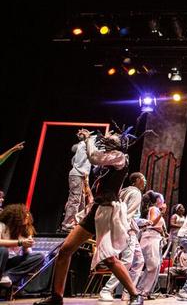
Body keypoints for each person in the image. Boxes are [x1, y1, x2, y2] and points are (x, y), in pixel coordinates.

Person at [34, 128, 145, 305]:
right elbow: (94, 160)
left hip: (107, 212)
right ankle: (57, 297)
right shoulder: (107, 162)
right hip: (96, 210)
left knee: (108, 258)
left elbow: (93, 156)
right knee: (65, 250)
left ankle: (135, 293)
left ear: (119, 143)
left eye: (113, 136)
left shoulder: (120, 157)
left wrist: (88, 139)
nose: (108, 136)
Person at [99, 172, 147, 301]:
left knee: (139, 260)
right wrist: (125, 230)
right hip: (127, 229)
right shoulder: (136, 193)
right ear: (136, 180)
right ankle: (107, 290)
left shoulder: (123, 191)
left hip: (125, 227)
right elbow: (129, 213)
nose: (145, 182)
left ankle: (128, 292)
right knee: (126, 261)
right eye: (143, 179)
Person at [0, 204, 44, 288]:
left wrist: (27, 245)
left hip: (11, 261)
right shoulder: (2, 225)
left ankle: (7, 277)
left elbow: (26, 253)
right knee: (3, 250)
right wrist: (20, 242)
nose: (27, 218)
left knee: (39, 256)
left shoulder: (24, 231)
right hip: (1, 259)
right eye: (24, 216)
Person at [60, 130, 92, 232]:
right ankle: (68, 224)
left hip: (81, 175)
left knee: (81, 201)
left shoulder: (83, 145)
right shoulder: (84, 145)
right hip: (77, 174)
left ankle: (77, 223)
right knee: (75, 200)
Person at [136, 191, 166, 299]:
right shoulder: (154, 209)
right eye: (161, 199)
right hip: (150, 237)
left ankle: (145, 291)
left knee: (155, 266)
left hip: (155, 237)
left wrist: (163, 231)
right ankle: (141, 290)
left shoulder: (156, 210)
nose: (163, 201)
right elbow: (152, 222)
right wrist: (162, 214)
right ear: (158, 200)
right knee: (153, 265)